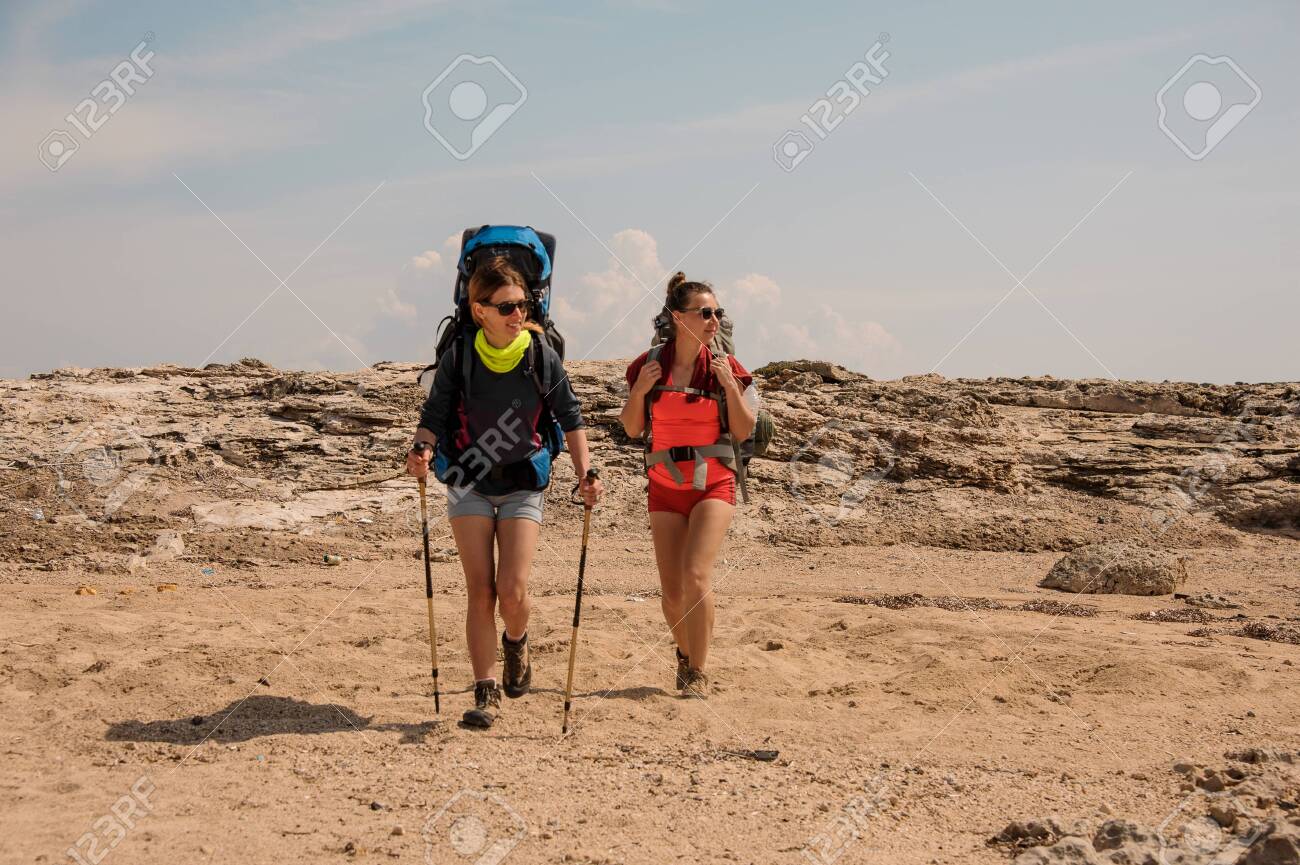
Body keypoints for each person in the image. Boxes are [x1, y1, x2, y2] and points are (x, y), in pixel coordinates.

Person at [407, 256, 602, 729]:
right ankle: (485, 690)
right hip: (469, 481)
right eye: (508, 307)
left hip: (522, 483)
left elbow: (570, 416)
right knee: (481, 591)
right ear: (479, 311)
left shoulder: (540, 354)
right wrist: (421, 451)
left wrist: (587, 473)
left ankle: (517, 641)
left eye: (523, 304)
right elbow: (434, 416)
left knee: (512, 592)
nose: (518, 314)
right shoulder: (461, 355)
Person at [620, 272, 756, 698]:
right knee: (672, 594)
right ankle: (685, 654)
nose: (714, 320)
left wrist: (731, 388)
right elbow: (631, 428)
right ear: (679, 318)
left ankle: (697, 671)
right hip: (663, 484)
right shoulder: (648, 366)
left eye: (718, 313)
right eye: (705, 313)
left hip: (714, 481)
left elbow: (743, 430)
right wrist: (639, 392)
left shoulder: (725, 367)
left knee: (696, 576)